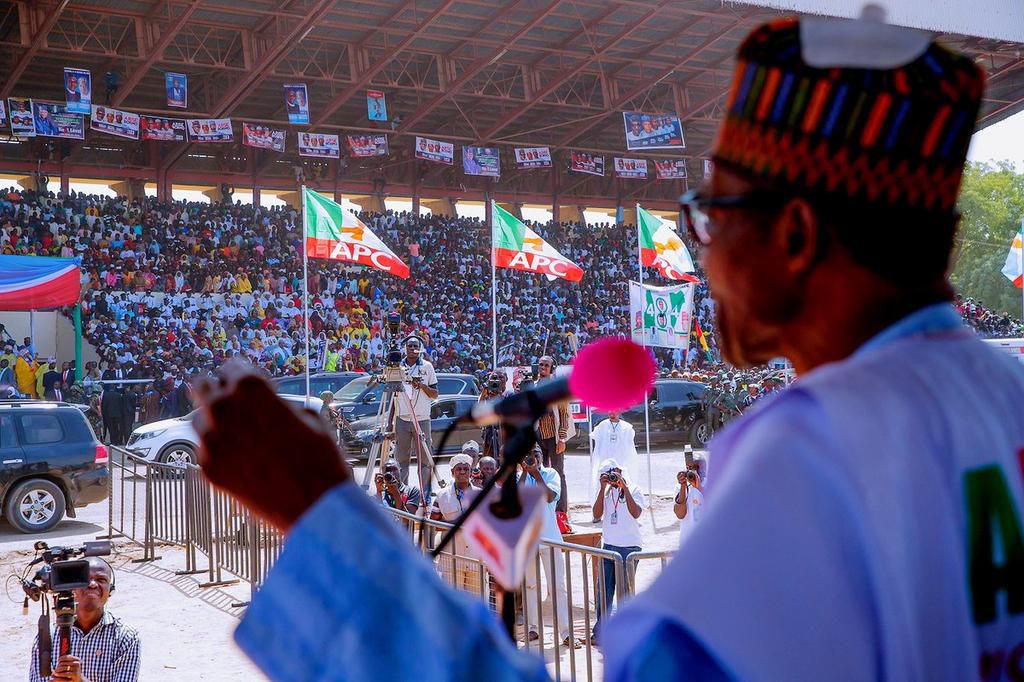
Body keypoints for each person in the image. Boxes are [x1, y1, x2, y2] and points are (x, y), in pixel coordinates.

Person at [196, 14, 1024, 675]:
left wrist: (322, 515)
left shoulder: (809, 456)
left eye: (711, 216)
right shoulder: (1010, 396)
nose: (700, 254)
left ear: (798, 233)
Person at [28, 557, 141, 682]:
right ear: (71, 586)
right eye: (85, 579)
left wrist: (80, 680)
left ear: (110, 590)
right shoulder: (47, 636)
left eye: (101, 579)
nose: (92, 584)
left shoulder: (126, 637)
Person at [518, 446, 581, 649]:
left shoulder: (551, 473)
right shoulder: (521, 476)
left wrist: (536, 473)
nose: (532, 458)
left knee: (558, 587)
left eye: (536, 455)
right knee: (531, 586)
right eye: (529, 455)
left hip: (551, 538)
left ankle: (566, 632)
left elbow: (550, 497)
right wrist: (525, 472)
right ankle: (533, 628)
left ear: (542, 457)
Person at [591, 459, 644, 643]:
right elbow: (597, 514)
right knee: (603, 591)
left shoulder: (635, 489)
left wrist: (625, 488)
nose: (613, 477)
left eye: (615, 473)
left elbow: (636, 512)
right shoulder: (606, 493)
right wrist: (602, 487)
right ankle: (601, 632)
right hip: (609, 546)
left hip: (629, 548)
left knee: (625, 593)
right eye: (610, 474)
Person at [430, 452, 479, 591]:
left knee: (475, 605)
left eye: (466, 469)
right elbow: (433, 524)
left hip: (476, 559)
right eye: (459, 469)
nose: (462, 472)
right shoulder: (441, 495)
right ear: (452, 472)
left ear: (470, 472)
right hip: (451, 560)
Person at [393, 337, 437, 484]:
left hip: (422, 418)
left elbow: (435, 394)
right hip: (402, 419)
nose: (412, 348)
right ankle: (403, 491)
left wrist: (422, 386)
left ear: (420, 348)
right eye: (409, 346)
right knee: (401, 460)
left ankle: (425, 492)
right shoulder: (397, 367)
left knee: (425, 460)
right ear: (405, 348)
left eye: (415, 346)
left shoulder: (427, 366)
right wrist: (389, 423)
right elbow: (393, 397)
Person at [533, 356, 571, 513]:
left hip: (554, 437)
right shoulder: (532, 386)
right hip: (537, 436)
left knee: (557, 473)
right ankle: (541, 507)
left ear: (551, 368)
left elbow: (564, 414)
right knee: (538, 472)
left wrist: (562, 438)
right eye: (541, 364)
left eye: (546, 365)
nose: (542, 367)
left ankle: (560, 511)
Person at [588, 411, 637, 502]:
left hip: (621, 463)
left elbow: (630, 449)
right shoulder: (602, 426)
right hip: (605, 462)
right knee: (602, 485)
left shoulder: (627, 428)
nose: (612, 413)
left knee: (623, 485)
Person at [673, 463, 703, 545]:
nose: (694, 472)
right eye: (690, 468)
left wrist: (699, 488)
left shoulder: (710, 483)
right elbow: (680, 515)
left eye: (696, 468)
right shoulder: (679, 487)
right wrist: (683, 486)